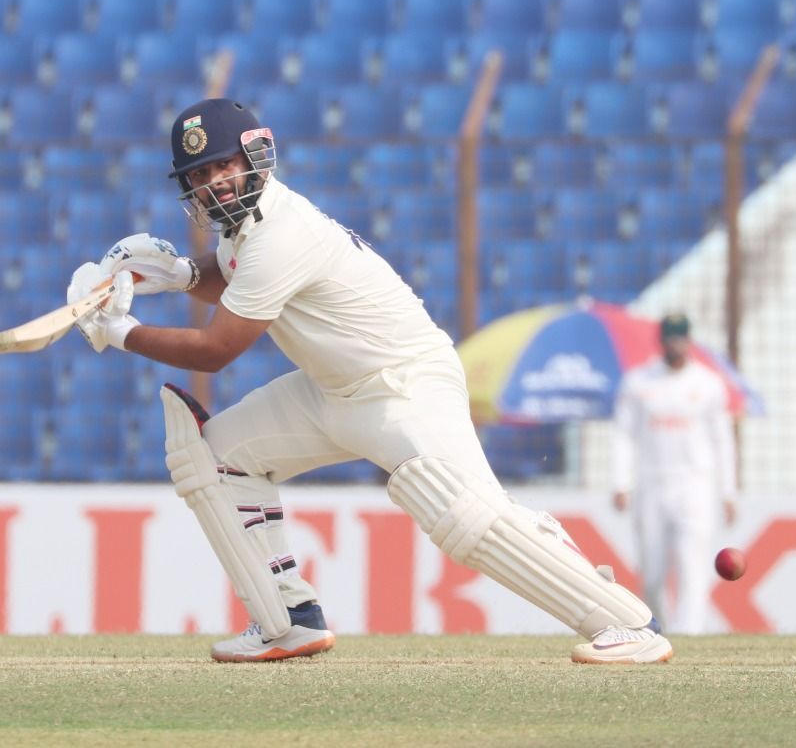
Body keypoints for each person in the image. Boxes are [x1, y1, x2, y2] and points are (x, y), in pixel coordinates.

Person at [64, 97, 673, 664]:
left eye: (221, 165)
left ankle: (624, 626)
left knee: (462, 515)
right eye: (197, 176)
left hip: (403, 385)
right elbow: (226, 271)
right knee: (215, 458)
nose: (211, 183)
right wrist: (169, 273)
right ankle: (289, 620)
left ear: (254, 158)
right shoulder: (245, 230)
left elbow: (217, 349)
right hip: (332, 391)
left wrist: (122, 332)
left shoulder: (283, 232)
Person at [610, 313, 738, 634]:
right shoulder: (639, 382)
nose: (675, 345)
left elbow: (723, 440)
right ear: (662, 341)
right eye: (670, 338)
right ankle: (658, 630)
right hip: (652, 481)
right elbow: (624, 434)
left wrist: (728, 492)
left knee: (692, 566)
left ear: (689, 340)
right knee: (652, 572)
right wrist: (620, 482)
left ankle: (690, 634)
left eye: (681, 338)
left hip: (694, 483)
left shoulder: (708, 384)